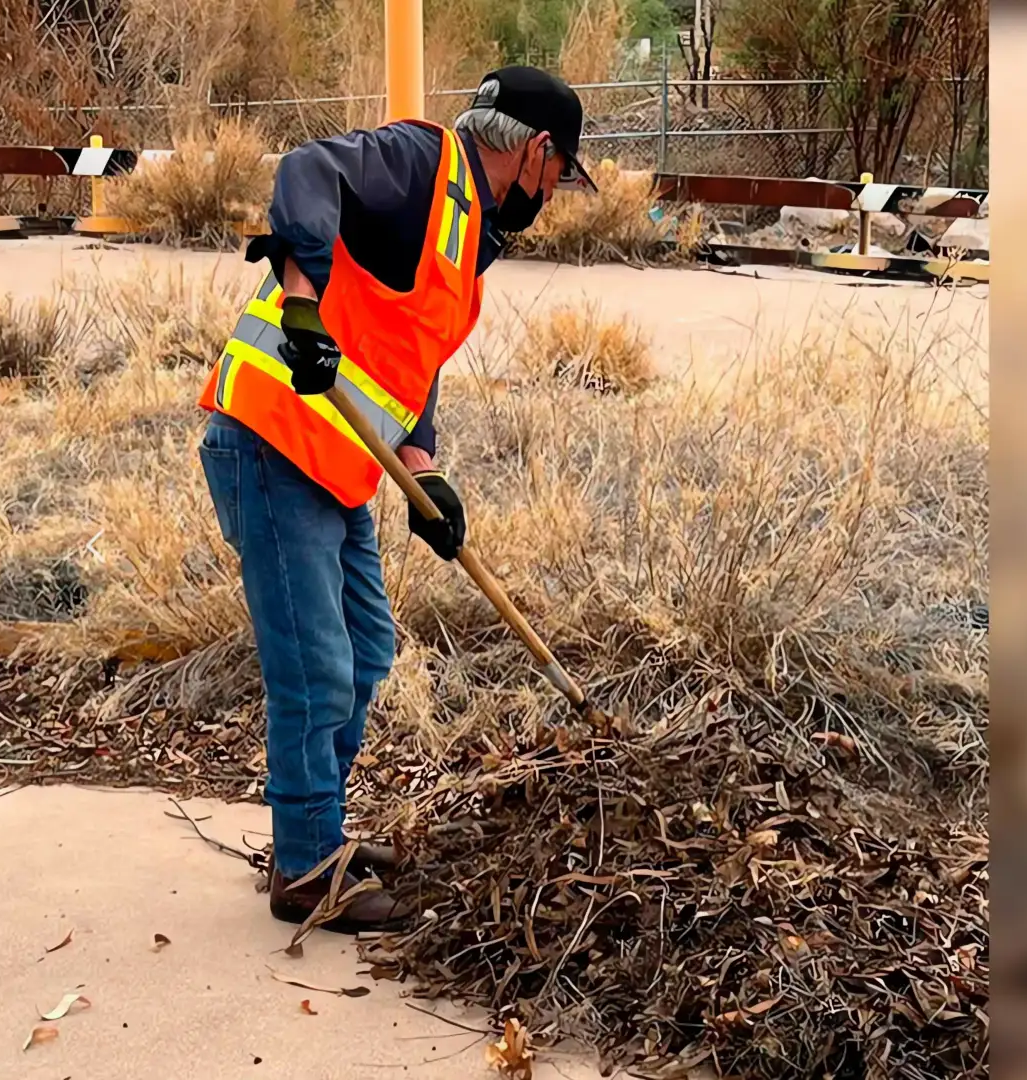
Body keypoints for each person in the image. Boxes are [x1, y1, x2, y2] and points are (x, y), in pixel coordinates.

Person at [195, 67, 595, 933]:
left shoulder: (470, 236)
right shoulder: (422, 163)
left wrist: (426, 469)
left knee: (368, 648)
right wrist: (300, 306)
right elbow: (307, 169)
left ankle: (316, 831)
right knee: (317, 668)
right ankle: (305, 870)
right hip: (270, 441)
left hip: (334, 465)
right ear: (537, 151)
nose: (557, 193)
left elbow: (412, 361)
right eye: (562, 173)